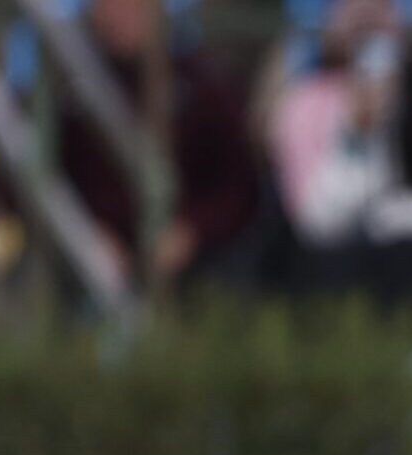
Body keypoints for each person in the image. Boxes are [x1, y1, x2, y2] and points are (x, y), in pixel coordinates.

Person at [269, 0, 412, 315]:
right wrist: (357, 132)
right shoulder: (306, 103)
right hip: (341, 266)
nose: (368, 16)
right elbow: (316, 221)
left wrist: (398, 215)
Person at [57, 0, 261, 287]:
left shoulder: (204, 85)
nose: (120, 14)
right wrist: (85, 230)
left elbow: (239, 184)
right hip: (92, 265)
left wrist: (192, 231)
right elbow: (49, 177)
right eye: (108, 5)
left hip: (201, 268)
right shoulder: (66, 88)